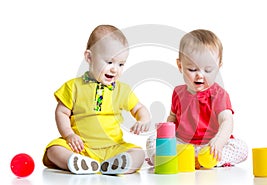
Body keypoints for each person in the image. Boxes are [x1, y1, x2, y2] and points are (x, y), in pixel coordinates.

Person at [43, 25, 151, 175]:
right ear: (89, 57)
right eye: (109, 62)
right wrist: (69, 135)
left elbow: (139, 108)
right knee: (53, 150)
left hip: (113, 147)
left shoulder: (122, 90)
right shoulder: (73, 87)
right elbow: (61, 112)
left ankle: (118, 164)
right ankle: (78, 162)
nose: (115, 69)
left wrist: (143, 120)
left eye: (121, 64)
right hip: (80, 147)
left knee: (139, 154)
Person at [146, 29, 248, 168]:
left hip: (210, 145)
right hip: (184, 144)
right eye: (193, 70)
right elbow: (172, 118)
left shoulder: (219, 94)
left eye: (208, 70)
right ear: (180, 66)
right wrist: (166, 136)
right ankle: (166, 159)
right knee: (152, 140)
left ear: (218, 67)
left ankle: (207, 160)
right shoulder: (178, 92)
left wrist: (218, 141)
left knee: (241, 148)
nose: (200, 75)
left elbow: (227, 121)